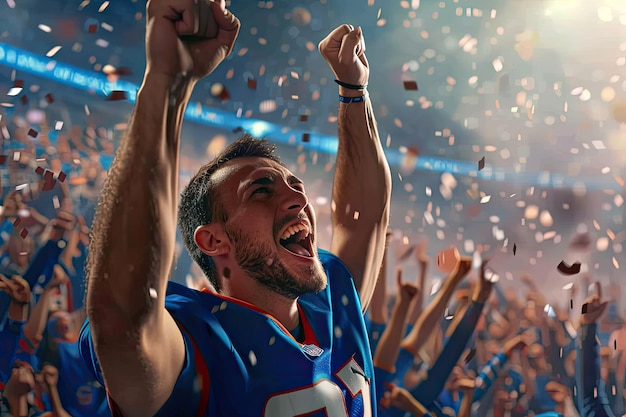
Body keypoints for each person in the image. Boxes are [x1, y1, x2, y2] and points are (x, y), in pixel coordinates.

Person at [79, 0, 391, 416]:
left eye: (294, 185)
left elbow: (365, 217)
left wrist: (354, 91)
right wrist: (166, 86)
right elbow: (120, 315)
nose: (297, 198)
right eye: (261, 191)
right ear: (213, 239)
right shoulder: (196, 337)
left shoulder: (330, 298)